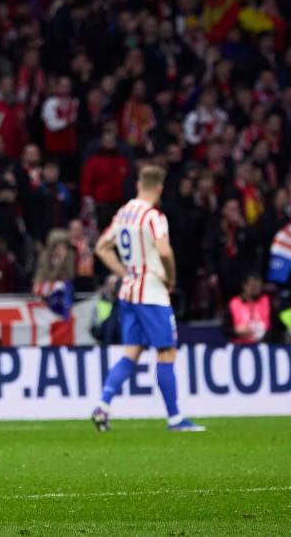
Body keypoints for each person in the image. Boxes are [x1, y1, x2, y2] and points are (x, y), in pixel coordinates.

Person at [91, 166, 205, 433]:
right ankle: (175, 418)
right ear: (160, 189)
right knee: (166, 351)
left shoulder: (123, 213)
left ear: (139, 185)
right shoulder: (154, 217)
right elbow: (164, 251)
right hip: (152, 292)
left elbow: (101, 248)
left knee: (132, 350)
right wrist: (171, 277)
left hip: (129, 292)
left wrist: (125, 272)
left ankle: (103, 405)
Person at [229, 273, 270, 344]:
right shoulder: (234, 303)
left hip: (264, 344)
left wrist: (266, 334)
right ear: (244, 286)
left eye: (258, 286)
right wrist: (236, 332)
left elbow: (276, 326)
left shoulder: (267, 301)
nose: (255, 289)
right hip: (241, 345)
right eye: (252, 285)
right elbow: (225, 329)